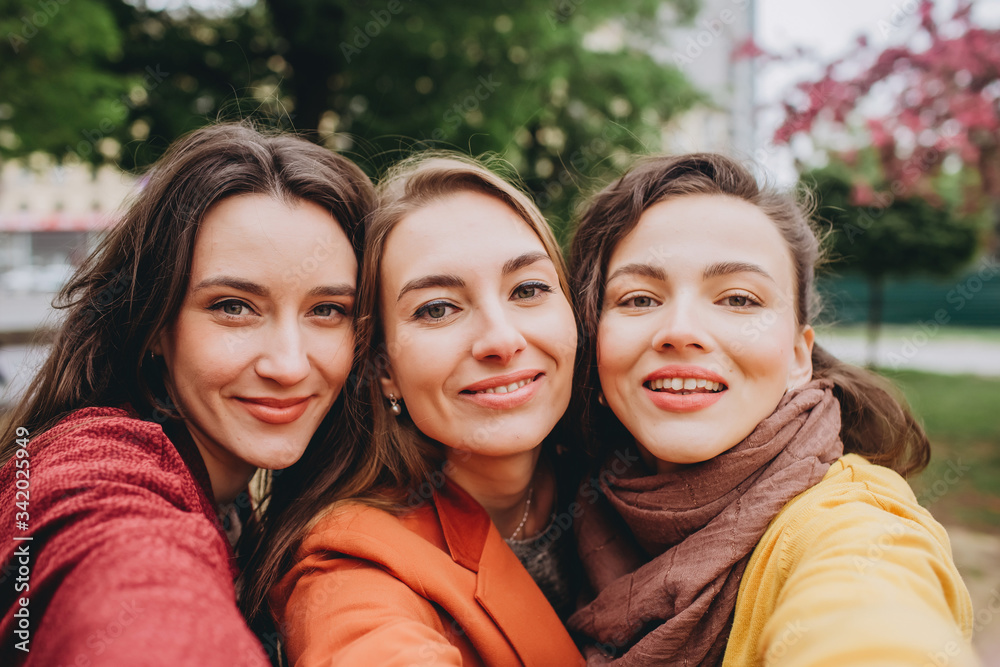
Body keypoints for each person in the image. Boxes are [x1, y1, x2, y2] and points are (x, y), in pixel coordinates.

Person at [565, 153, 977, 666]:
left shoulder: (853, 525)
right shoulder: (571, 509)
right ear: (593, 347)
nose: (681, 331)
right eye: (640, 299)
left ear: (799, 357)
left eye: (739, 299)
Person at [0, 122, 373, 665]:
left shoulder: (238, 501)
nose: (289, 365)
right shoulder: (94, 468)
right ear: (154, 323)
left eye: (327, 310)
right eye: (233, 307)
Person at [262, 154, 585, 666]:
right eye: (437, 309)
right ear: (384, 368)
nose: (502, 339)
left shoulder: (633, 474)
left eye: (528, 289)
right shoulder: (352, 560)